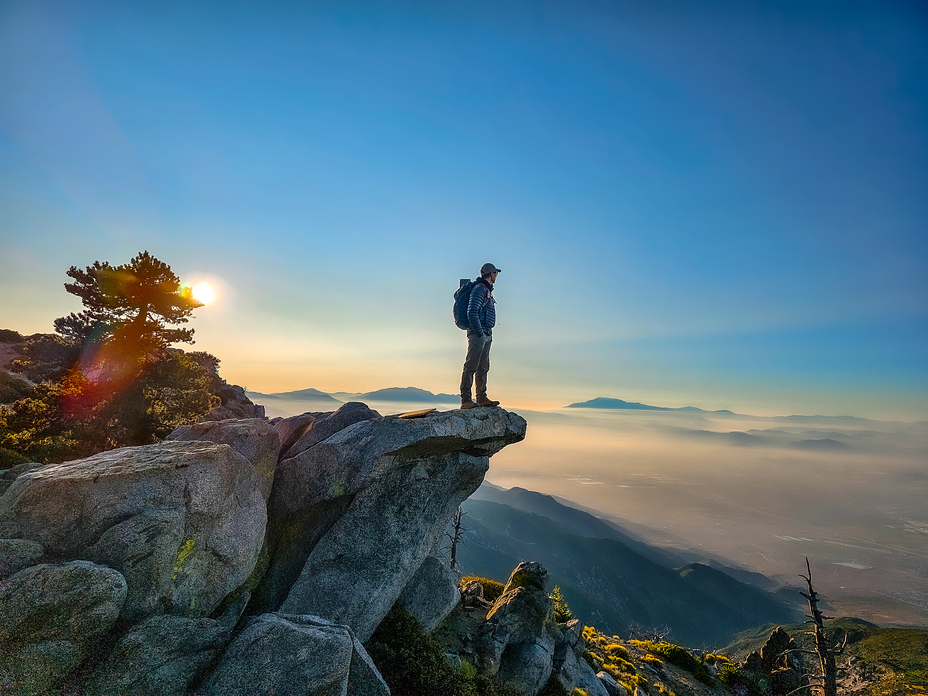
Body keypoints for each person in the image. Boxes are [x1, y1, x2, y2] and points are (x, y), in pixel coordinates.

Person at [460, 262, 501, 409]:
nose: (496, 276)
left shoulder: (486, 290)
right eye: (495, 273)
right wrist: (479, 332)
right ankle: (466, 400)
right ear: (491, 274)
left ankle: (481, 397)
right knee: (471, 366)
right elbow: (472, 312)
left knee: (483, 367)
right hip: (479, 334)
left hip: (486, 333)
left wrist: (486, 333)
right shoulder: (479, 289)